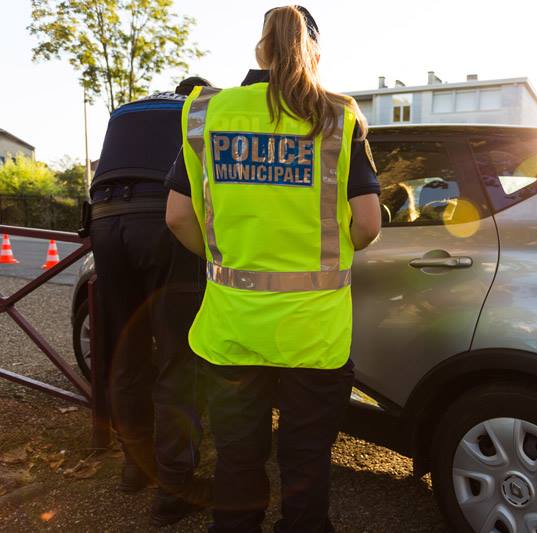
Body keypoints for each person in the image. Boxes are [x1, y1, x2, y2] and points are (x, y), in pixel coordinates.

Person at [164, 5, 381, 532]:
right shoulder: (337, 115)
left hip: (233, 327)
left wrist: (225, 257)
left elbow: (176, 216)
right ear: (315, 52)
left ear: (259, 47)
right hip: (315, 332)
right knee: (306, 459)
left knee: (238, 459)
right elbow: (368, 224)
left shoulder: (206, 113)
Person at [88, 76, 213, 527]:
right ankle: (174, 484)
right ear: (200, 91)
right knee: (179, 358)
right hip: (160, 219)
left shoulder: (127, 109)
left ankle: (133, 467)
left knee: (129, 351)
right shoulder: (199, 110)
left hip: (105, 220)